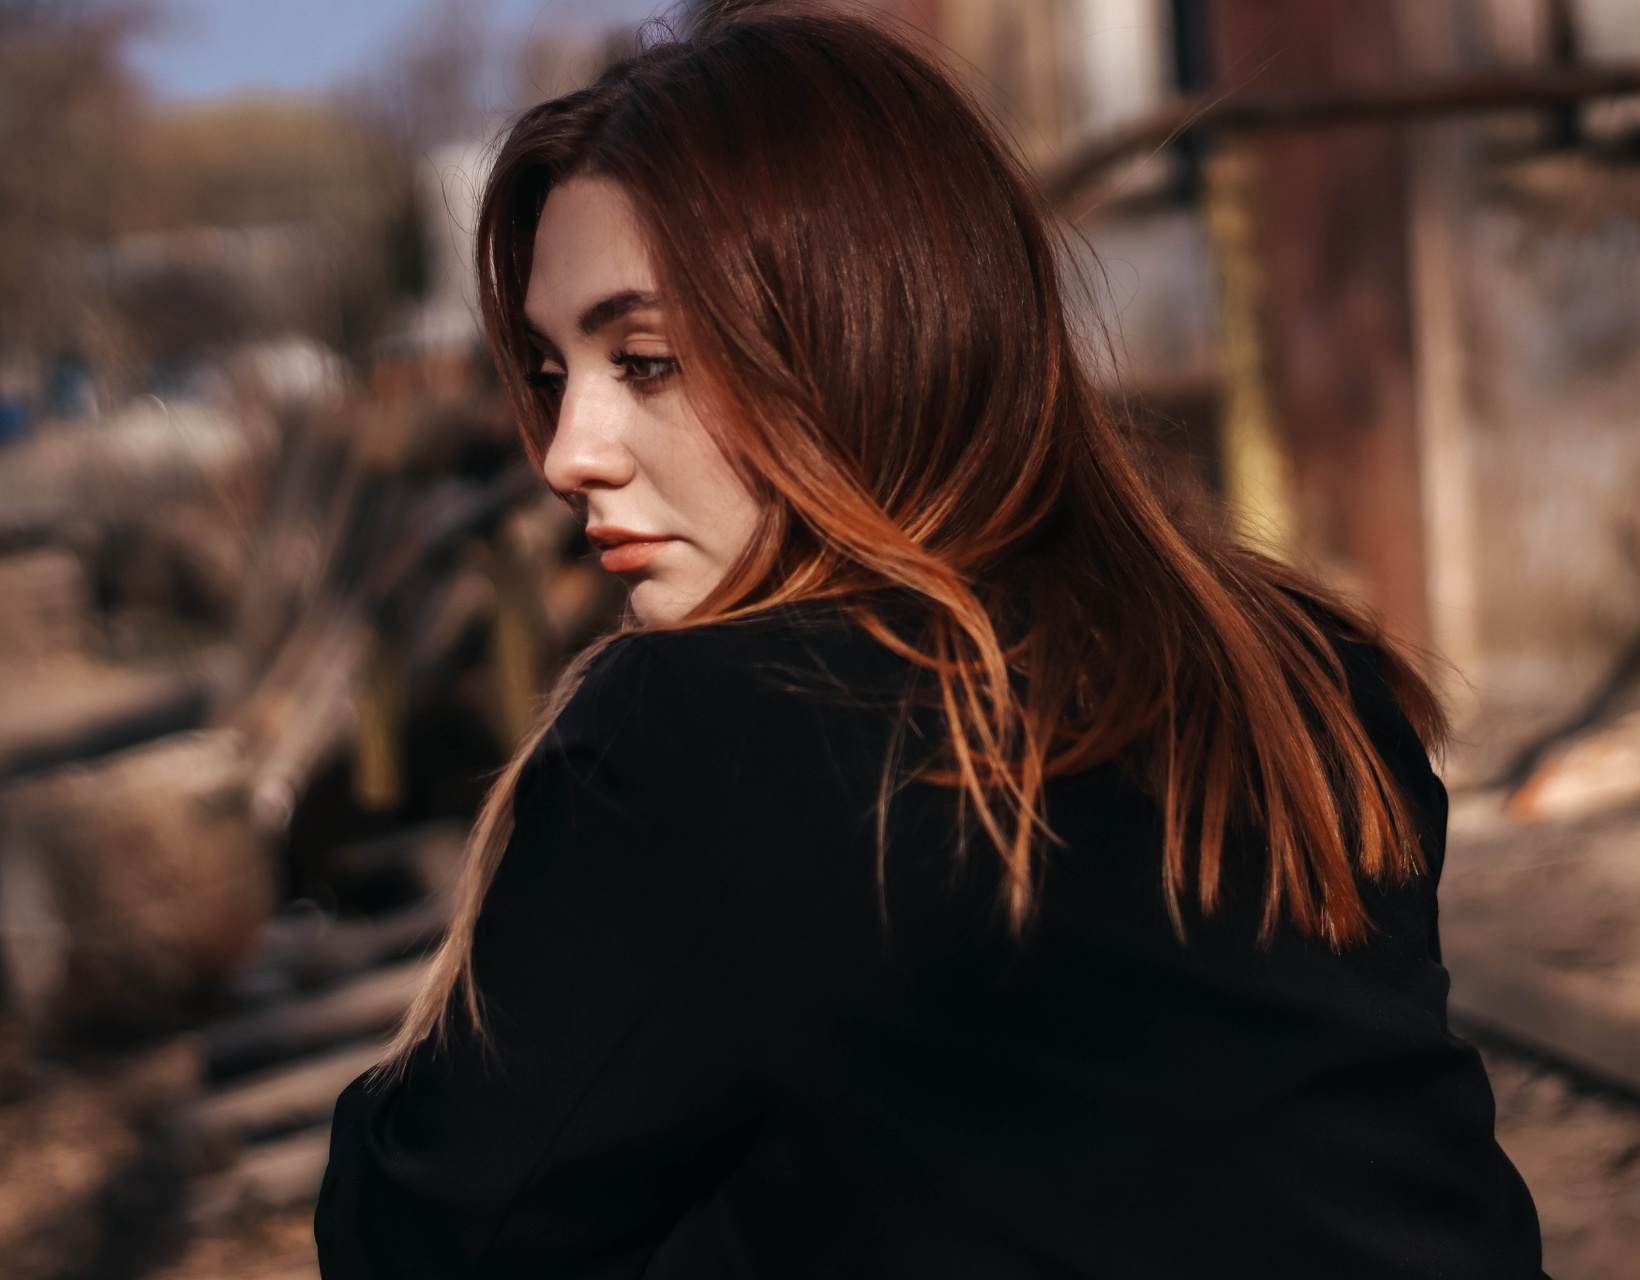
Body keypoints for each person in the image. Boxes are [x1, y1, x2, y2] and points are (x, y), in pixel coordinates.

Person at [316, 5, 1546, 1276]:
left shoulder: (709, 732)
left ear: (851, 337)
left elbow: (421, 1236)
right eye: (549, 371)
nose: (568, 454)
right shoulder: (1300, 666)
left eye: (645, 361)